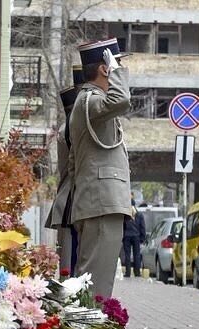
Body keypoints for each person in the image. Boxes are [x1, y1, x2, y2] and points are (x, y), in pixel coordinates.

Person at [68, 38, 132, 298]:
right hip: (100, 202)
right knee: (95, 285)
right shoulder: (90, 101)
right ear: (105, 68)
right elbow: (122, 98)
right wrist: (116, 70)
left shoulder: (91, 103)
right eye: (116, 64)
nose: (120, 69)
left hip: (101, 201)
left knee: (96, 281)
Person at [45, 65, 85, 275]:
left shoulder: (70, 123)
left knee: (71, 267)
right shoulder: (74, 124)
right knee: (72, 272)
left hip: (71, 198)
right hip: (74, 199)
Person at [122, 200, 146, 277]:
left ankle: (128, 272)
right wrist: (142, 237)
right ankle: (137, 272)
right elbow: (142, 227)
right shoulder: (139, 215)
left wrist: (123, 236)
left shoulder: (126, 215)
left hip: (127, 236)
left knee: (127, 255)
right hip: (136, 236)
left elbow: (123, 227)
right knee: (137, 255)